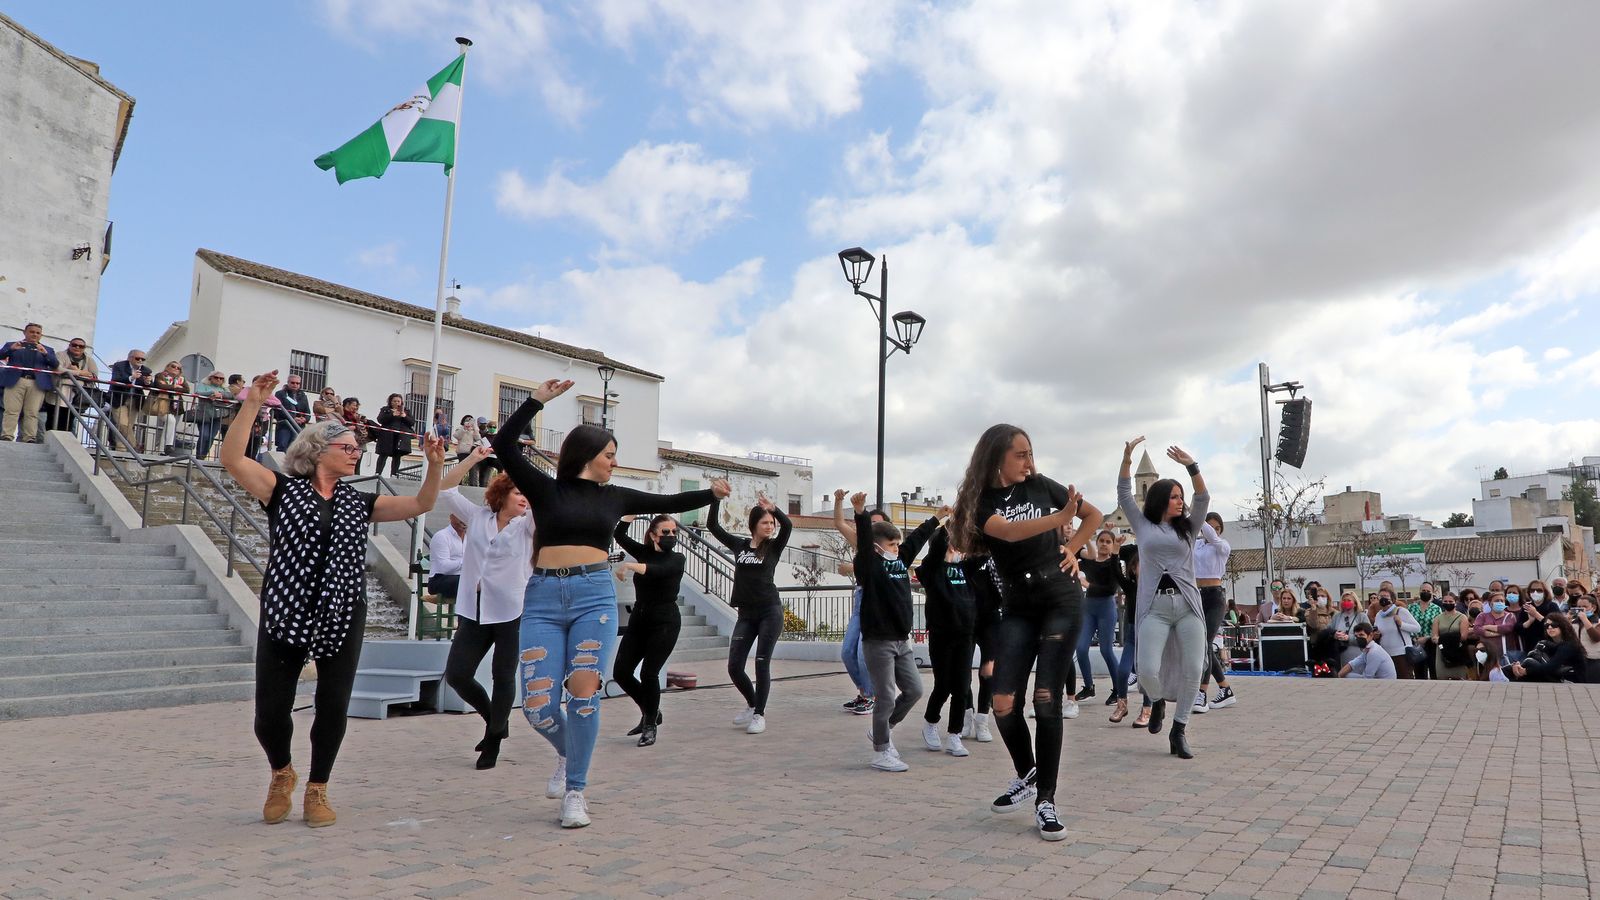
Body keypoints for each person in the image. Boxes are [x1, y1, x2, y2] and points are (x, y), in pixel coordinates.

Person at [491, 380, 726, 829]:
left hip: (592, 598)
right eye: (610, 454)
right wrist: (536, 401)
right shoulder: (544, 489)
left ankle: (576, 790)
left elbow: (670, 500)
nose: (615, 462)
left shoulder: (615, 497)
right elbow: (503, 443)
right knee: (537, 705)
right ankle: (566, 752)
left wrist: (710, 496)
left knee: (583, 695)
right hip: (542, 598)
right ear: (587, 455)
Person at [221, 370, 445, 828]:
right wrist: (252, 404)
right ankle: (282, 772)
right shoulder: (281, 491)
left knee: (333, 703)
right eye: (348, 448)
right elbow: (231, 459)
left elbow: (421, 505)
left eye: (358, 449)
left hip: (344, 610)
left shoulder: (359, 502)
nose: (355, 454)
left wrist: (436, 465)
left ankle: (318, 787)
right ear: (316, 450)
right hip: (286, 611)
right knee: (269, 712)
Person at [949, 424, 1100, 842]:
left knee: (1046, 697)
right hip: (1017, 607)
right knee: (1001, 701)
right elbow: (1010, 531)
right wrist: (1061, 518)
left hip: (1060, 600)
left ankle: (1046, 801)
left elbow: (1094, 516)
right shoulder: (980, 503)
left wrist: (1073, 545)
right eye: (1020, 455)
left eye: (1031, 453)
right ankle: (1028, 774)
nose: (1029, 462)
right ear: (996, 457)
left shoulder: (1040, 486)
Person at [438, 450, 535, 769]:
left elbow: (542, 501)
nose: (523, 498)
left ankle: (493, 740)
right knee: (458, 674)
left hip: (511, 610)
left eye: (526, 493)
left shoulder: (527, 526)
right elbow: (446, 488)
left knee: (502, 675)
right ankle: (496, 720)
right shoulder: (478, 516)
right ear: (502, 494)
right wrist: (471, 460)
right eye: (518, 492)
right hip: (474, 608)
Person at [1117, 437, 1209, 761]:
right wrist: (1127, 459)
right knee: (1146, 670)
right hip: (1155, 608)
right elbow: (1125, 494)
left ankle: (1179, 729)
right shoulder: (1143, 526)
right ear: (1160, 499)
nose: (1180, 501)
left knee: (1193, 669)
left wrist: (1191, 465)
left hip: (1187, 607)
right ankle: (1155, 701)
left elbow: (1203, 497)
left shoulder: (1190, 527)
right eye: (1173, 497)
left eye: (1180, 496)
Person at [851, 491, 938, 772]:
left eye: (898, 544)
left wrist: (939, 518)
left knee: (914, 690)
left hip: (902, 641)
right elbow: (864, 545)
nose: (897, 548)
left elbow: (917, 539)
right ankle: (880, 751)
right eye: (892, 544)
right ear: (878, 547)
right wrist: (861, 514)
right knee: (886, 695)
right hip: (879, 642)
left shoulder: (899, 562)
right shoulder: (868, 566)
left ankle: (883, 729)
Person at [708, 492, 793, 734]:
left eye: (771, 523)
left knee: (761, 663)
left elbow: (788, 526)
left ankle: (759, 714)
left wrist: (774, 509)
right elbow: (713, 526)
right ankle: (752, 703)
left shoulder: (774, 546)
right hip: (746, 614)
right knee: (734, 666)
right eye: (765, 522)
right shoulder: (740, 545)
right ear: (754, 524)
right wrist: (715, 499)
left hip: (770, 611)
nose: (770, 527)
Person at [612, 514, 686, 747]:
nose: (671, 536)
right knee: (621, 673)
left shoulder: (677, 559)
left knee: (649, 673)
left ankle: (650, 725)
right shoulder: (643, 551)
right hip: (640, 620)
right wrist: (627, 517)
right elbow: (619, 535)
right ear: (653, 535)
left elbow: (657, 571)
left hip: (665, 621)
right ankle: (651, 711)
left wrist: (630, 565)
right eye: (665, 532)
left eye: (674, 532)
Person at [917, 510, 975, 759]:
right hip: (942, 633)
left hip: (965, 633)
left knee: (962, 686)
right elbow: (940, 541)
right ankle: (930, 722)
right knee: (944, 685)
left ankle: (954, 735)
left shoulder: (966, 568)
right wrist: (949, 522)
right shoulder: (931, 569)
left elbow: (984, 546)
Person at [834, 490, 890, 715]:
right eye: (871, 522)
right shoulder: (861, 542)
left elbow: (884, 571)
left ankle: (872, 695)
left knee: (862, 653)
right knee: (848, 651)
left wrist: (851, 567)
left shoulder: (889, 548)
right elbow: (838, 523)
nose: (874, 526)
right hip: (861, 599)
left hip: (877, 602)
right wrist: (838, 500)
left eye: (878, 523)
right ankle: (865, 692)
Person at [1072, 530, 1122, 706]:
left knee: (1106, 650)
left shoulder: (1113, 563)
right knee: (1081, 647)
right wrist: (1083, 536)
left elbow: (1110, 589)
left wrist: (1086, 584)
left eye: (1109, 541)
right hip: (1089, 608)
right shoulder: (1088, 559)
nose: (1104, 544)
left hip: (1106, 608)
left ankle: (1118, 690)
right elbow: (1075, 551)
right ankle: (1088, 686)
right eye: (1102, 540)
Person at [1193, 513, 1237, 712]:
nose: (1212, 530)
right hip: (1197, 594)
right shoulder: (1197, 545)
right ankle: (1225, 689)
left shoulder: (1222, 545)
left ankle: (1201, 693)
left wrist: (1199, 514)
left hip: (1215, 596)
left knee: (1205, 644)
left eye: (1216, 527)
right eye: (1209, 527)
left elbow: (1211, 534)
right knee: (1204, 646)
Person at [0, 323, 59, 443]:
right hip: (15, 381)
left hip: (36, 384)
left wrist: (45, 353)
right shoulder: (12, 345)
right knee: (11, 410)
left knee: (32, 412)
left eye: (38, 333)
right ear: (24, 332)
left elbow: (55, 365)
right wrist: (10, 350)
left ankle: (29, 438)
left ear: (41, 335)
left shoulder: (47, 349)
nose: (35, 334)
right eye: (32, 332)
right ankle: (7, 435)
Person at [1500, 613, 1582, 683]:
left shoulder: (1569, 645)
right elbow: (1534, 657)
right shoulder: (1547, 643)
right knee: (1519, 666)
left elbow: (1550, 667)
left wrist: (1525, 671)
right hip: (1554, 675)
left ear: (1563, 626)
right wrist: (1519, 666)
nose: (1550, 628)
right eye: (1547, 625)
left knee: (1529, 663)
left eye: (1554, 625)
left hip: (1568, 680)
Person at [1369, 586, 1421, 679]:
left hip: (1401, 654)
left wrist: (1401, 624)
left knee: (1405, 680)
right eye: (1380, 597)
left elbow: (1417, 628)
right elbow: (1377, 630)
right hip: (1386, 654)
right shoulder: (1379, 615)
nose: (1383, 599)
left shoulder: (1401, 611)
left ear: (1392, 599)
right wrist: (1376, 635)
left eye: (1386, 596)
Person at [107, 349, 153, 451]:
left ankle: (121, 449)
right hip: (119, 398)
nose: (140, 360)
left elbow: (151, 385)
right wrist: (131, 377)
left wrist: (147, 382)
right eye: (137, 358)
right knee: (123, 424)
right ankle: (135, 445)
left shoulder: (146, 370)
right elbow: (115, 379)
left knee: (128, 426)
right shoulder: (119, 366)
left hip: (135, 400)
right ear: (130, 358)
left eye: (143, 359)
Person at [52, 337, 96, 432]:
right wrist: (79, 373)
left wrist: (75, 371)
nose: (77, 347)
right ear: (69, 345)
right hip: (58, 394)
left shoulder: (89, 360)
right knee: (54, 420)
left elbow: (93, 377)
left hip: (77, 397)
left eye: (81, 346)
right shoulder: (60, 355)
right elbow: (58, 369)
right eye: (74, 345)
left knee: (69, 422)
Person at [149, 361, 190, 454]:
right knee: (171, 421)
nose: (175, 369)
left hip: (176, 406)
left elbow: (187, 390)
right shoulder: (160, 375)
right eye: (173, 366)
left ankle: (161, 451)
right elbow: (160, 386)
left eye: (178, 368)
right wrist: (175, 387)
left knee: (169, 426)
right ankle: (169, 445)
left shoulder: (181, 379)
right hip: (162, 403)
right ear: (167, 367)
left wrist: (170, 387)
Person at [192, 370, 234, 459]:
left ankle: (203, 456)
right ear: (210, 378)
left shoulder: (224, 388)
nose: (219, 379)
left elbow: (231, 395)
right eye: (216, 377)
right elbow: (198, 392)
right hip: (204, 414)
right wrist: (211, 393)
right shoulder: (204, 385)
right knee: (204, 435)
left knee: (211, 437)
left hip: (218, 416)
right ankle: (198, 456)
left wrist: (221, 395)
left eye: (221, 378)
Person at [1473, 592, 1521, 669]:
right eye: (1497, 601)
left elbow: (1507, 628)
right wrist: (1495, 634)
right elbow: (1477, 629)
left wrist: (1487, 627)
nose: (1500, 602)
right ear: (1490, 603)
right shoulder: (1482, 616)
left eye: (1502, 601)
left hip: (1506, 655)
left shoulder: (1510, 616)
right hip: (1487, 655)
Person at [1514, 580, 1560, 659]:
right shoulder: (1526, 607)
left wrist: (1536, 614)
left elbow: (1556, 625)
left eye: (1539, 590)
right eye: (1532, 590)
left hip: (1549, 647)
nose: (1535, 592)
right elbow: (1518, 628)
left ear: (1545, 592)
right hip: (1530, 647)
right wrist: (1529, 622)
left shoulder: (1552, 606)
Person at [373, 393, 416, 478]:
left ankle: (394, 474)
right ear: (390, 402)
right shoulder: (386, 410)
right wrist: (392, 415)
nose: (397, 403)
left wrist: (404, 416)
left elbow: (412, 422)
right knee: (383, 454)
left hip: (400, 437)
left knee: (397, 456)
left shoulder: (406, 411)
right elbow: (380, 420)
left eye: (398, 401)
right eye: (394, 401)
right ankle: (378, 473)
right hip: (387, 436)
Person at [1432, 593, 1471, 681]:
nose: (1448, 603)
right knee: (1442, 678)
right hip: (1442, 651)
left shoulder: (1462, 617)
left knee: (1460, 678)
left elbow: (1463, 636)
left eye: (1450, 601)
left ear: (1455, 602)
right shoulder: (1438, 618)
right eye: (1445, 601)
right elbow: (1434, 636)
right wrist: (1438, 640)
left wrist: (1443, 639)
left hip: (1457, 650)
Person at [427, 515, 466, 600]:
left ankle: (478, 612)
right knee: (467, 583)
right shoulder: (442, 536)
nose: (463, 519)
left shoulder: (471, 537)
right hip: (439, 579)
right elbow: (444, 567)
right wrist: (467, 562)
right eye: (460, 515)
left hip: (463, 578)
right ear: (451, 517)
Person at [1408, 583, 1441, 680]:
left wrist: (1427, 638)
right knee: (1419, 672)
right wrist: (1415, 638)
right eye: (1423, 591)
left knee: (1433, 670)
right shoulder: (1411, 608)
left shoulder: (1436, 609)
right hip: (1415, 644)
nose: (1425, 593)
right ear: (1419, 591)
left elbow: (1439, 626)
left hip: (1430, 643)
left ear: (1432, 593)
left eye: (1428, 591)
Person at [272, 375, 313, 452]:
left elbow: (307, 412)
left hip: (298, 426)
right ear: (288, 383)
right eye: (293, 383)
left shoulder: (303, 395)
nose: (295, 385)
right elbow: (279, 410)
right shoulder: (280, 394)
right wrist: (293, 418)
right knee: (282, 446)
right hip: (285, 425)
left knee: (295, 449)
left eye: (298, 383)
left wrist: (304, 419)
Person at [1572, 594, 1600, 683]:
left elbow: (1596, 637)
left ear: (1593, 607)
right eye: (1579, 607)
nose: (1581, 610)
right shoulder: (1574, 622)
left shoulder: (1598, 622)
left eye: (1585, 607)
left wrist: (1585, 620)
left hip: (1593, 660)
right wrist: (1566, 620)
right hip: (1577, 659)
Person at [340, 398, 371, 474]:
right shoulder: (341, 415)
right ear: (347, 404)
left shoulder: (358, 416)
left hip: (359, 443)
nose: (356, 407)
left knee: (357, 465)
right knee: (345, 463)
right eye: (354, 405)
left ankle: (356, 480)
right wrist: (347, 428)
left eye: (357, 406)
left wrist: (361, 422)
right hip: (346, 443)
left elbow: (363, 428)